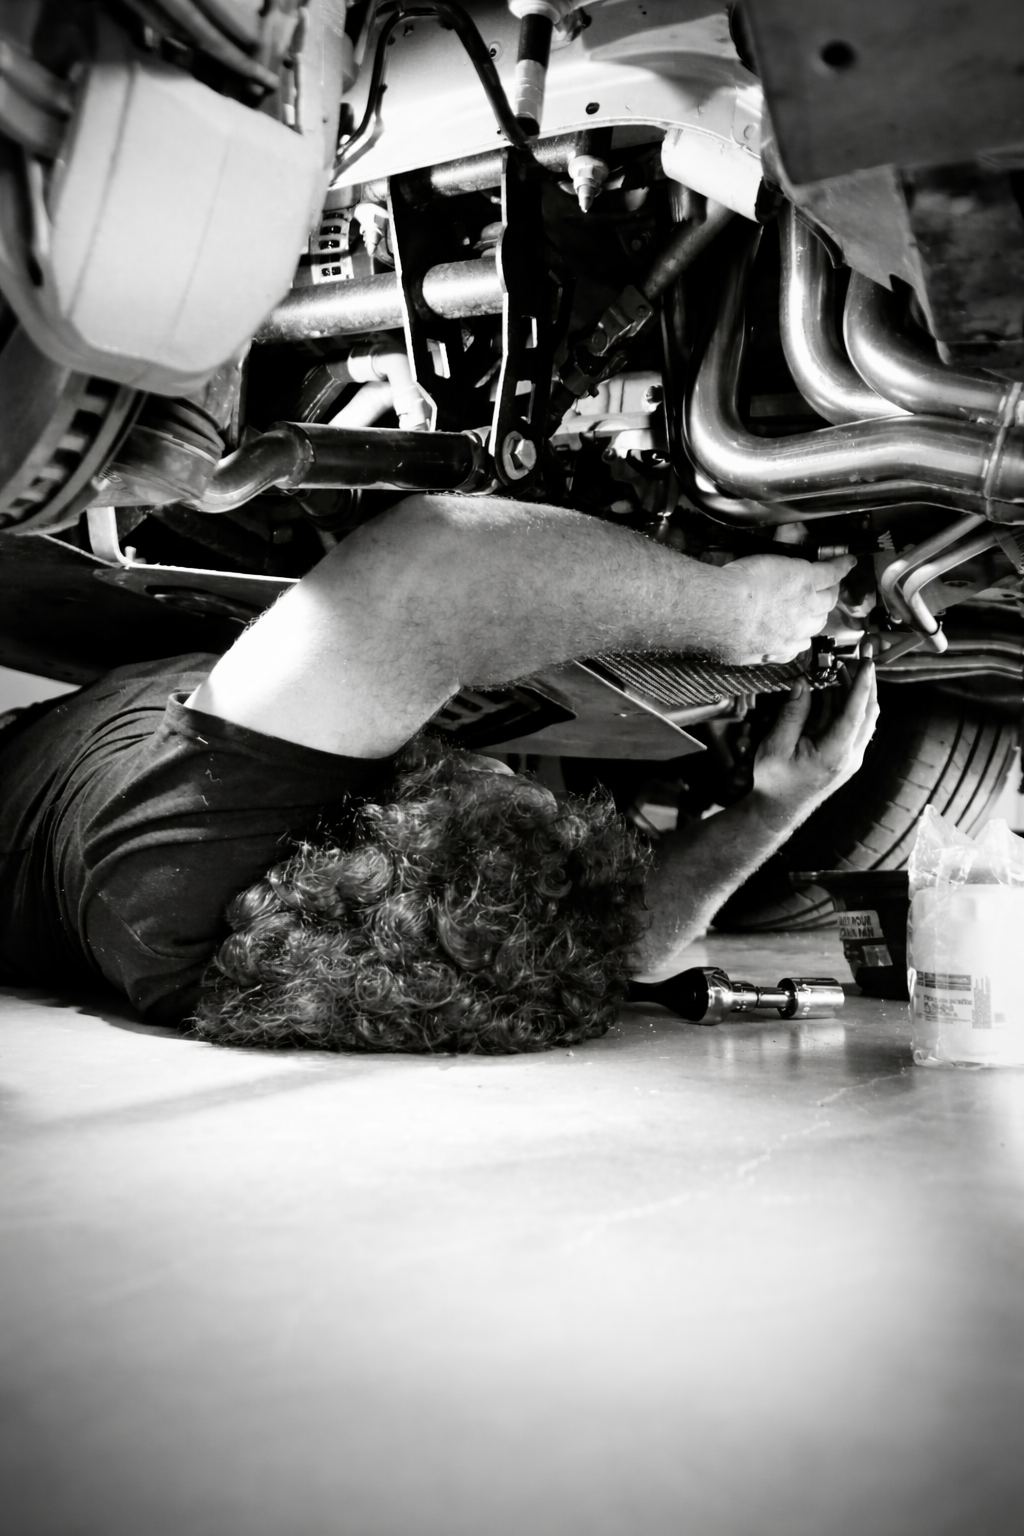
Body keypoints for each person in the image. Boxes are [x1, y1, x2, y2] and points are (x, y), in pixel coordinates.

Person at [0, 494, 876, 1052]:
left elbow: (436, 560)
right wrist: (776, 806)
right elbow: (624, 943)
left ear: (406, 839)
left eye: (492, 781)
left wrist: (736, 612)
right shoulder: (342, 966)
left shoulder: (191, 856)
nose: (494, 761)